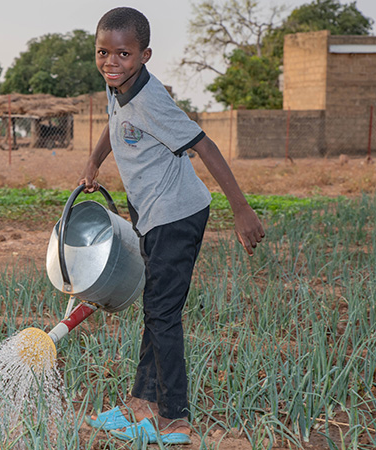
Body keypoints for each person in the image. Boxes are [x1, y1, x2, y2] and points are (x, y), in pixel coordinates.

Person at [81, 7, 265, 446]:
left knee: (163, 315)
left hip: (177, 215)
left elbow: (205, 145)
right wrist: (93, 161)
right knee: (156, 308)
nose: (110, 62)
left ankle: (175, 419)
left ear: (144, 55)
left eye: (122, 54)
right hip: (152, 213)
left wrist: (241, 209)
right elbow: (113, 124)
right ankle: (140, 405)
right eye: (103, 52)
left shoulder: (152, 99)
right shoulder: (118, 86)